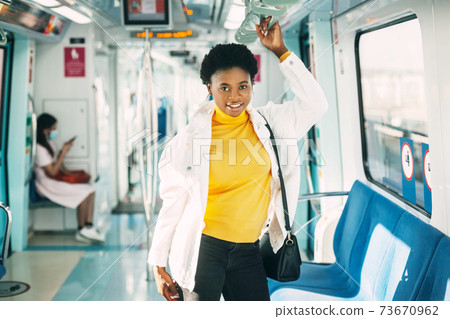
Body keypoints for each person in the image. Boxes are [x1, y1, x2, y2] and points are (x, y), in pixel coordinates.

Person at [149, 18, 328, 301]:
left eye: (242, 86)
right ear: (209, 88)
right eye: (224, 88)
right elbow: (172, 203)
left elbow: (316, 104)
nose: (235, 96)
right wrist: (157, 264)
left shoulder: (271, 124)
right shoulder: (187, 140)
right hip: (203, 250)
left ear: (252, 86)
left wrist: (282, 52)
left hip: (248, 249)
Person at [34, 113, 104, 244]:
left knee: (91, 189)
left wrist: (61, 153)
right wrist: (64, 152)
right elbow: (52, 172)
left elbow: (58, 166)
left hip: (55, 180)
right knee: (84, 193)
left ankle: (88, 226)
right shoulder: (39, 148)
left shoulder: (49, 143)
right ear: (45, 130)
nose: (55, 131)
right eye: (53, 128)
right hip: (47, 184)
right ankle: (81, 229)